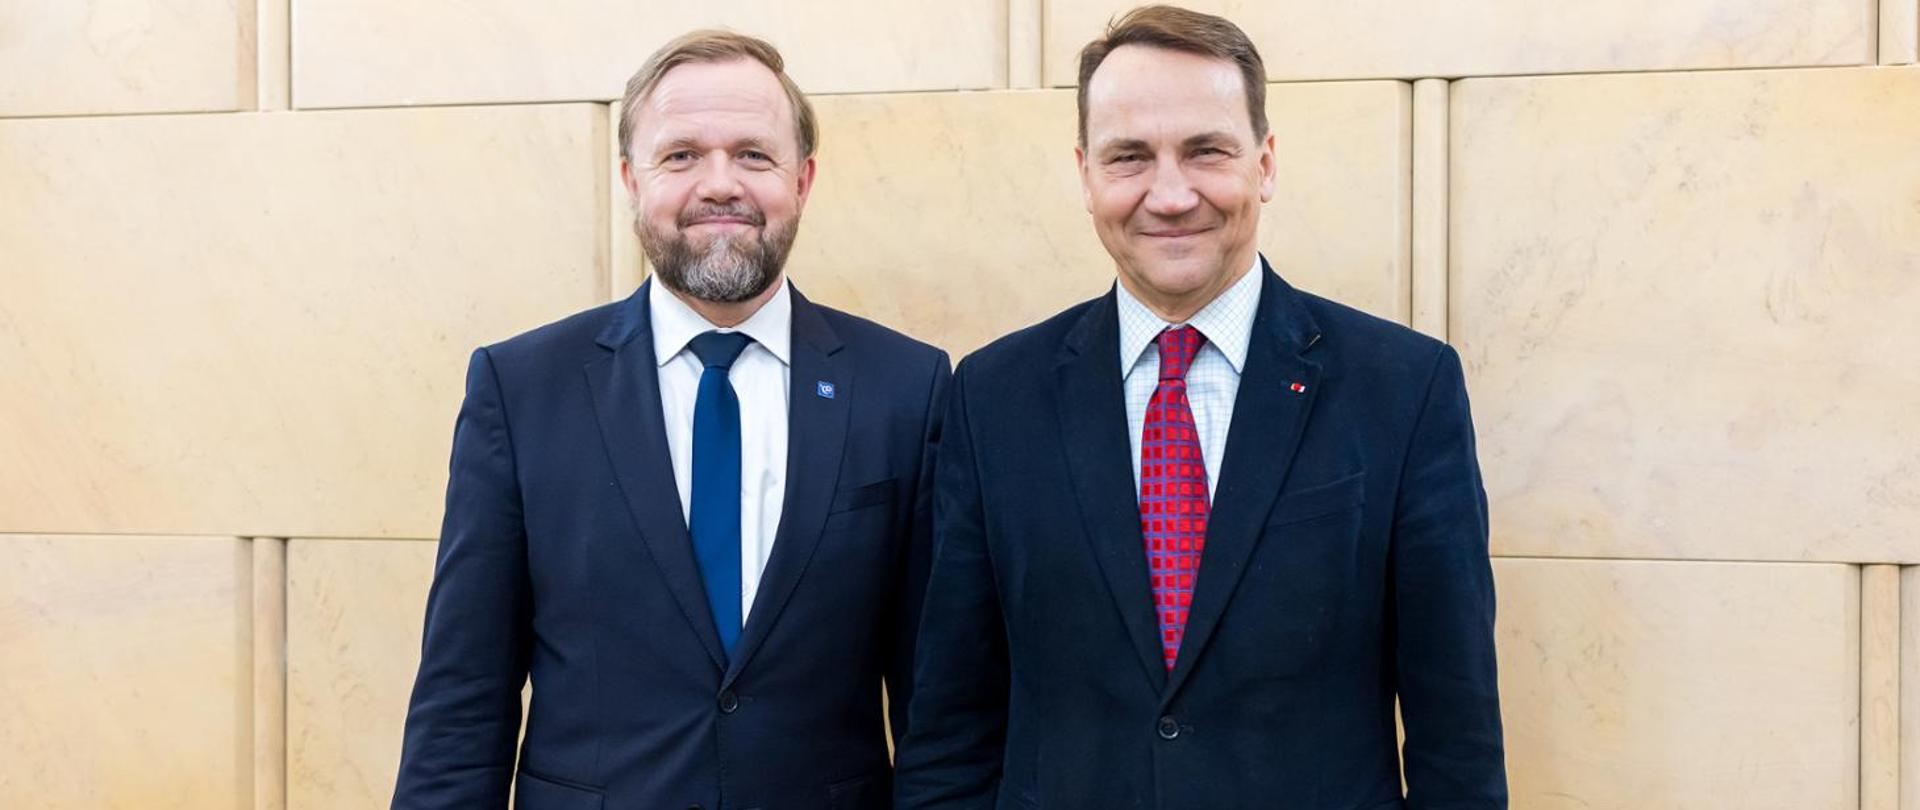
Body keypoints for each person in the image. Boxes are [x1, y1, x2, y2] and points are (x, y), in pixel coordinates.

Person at [894, 6, 1506, 808]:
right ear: (1086, 176)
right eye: (1129, 157)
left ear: (1265, 163)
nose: (1171, 194)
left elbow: (1453, 733)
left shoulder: (1403, 388)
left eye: (1206, 150)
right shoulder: (992, 396)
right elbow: (952, 726)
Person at [392, 30, 949, 810]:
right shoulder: (521, 391)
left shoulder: (906, 386)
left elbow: (941, 706)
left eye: (754, 155)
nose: (720, 184)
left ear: (804, 179)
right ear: (630, 178)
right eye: (681, 155)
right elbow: (462, 699)